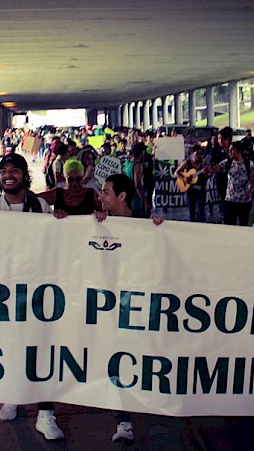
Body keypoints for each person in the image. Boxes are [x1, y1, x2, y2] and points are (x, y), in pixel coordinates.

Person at [0, 153, 62, 441]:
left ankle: (46, 414)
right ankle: (12, 395)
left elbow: (55, 244)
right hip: (2, 292)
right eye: (3, 170)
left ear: (24, 175)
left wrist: (60, 222)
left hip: (36, 291)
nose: (8, 175)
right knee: (7, 346)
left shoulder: (39, 206)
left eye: (14, 170)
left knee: (41, 349)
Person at [94, 172, 163, 444]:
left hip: (137, 305)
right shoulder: (98, 223)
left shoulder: (146, 223)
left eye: (106, 192)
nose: (100, 197)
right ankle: (123, 420)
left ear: (121, 196)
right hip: (109, 306)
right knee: (116, 358)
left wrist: (160, 230)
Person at [209, 141, 254, 226]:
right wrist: (209, 168)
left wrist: (250, 192)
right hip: (230, 199)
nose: (229, 152)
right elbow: (216, 168)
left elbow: (253, 180)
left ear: (238, 151)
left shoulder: (248, 163)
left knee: (243, 223)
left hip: (244, 200)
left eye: (231, 150)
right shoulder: (227, 162)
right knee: (229, 224)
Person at [37, 159, 102, 217]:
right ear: (65, 179)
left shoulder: (91, 194)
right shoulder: (57, 193)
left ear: (82, 177)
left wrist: (100, 214)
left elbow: (106, 211)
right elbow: (35, 199)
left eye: (78, 179)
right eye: (70, 180)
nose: (74, 183)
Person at [175, 144, 208, 223]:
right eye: (197, 154)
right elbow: (176, 173)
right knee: (191, 212)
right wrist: (184, 179)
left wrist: (206, 172)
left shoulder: (203, 165)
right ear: (192, 153)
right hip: (190, 191)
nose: (199, 156)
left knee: (201, 210)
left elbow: (206, 177)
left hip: (200, 190)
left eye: (201, 154)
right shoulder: (187, 163)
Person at [122, 142, 149, 216]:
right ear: (142, 152)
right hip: (136, 199)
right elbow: (138, 185)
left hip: (128, 197)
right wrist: (145, 201)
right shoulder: (138, 165)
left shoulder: (127, 163)